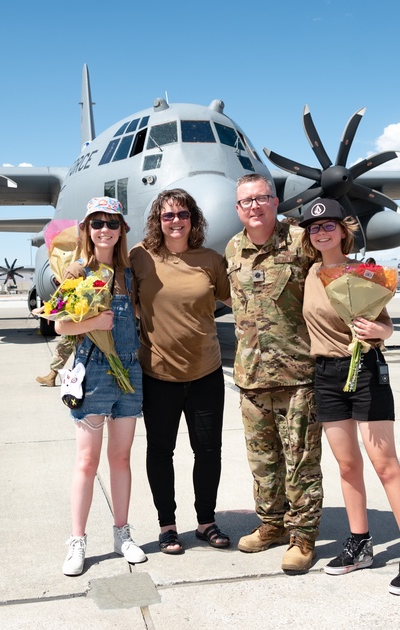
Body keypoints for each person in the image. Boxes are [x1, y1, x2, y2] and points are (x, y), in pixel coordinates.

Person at [298, 197, 400, 595]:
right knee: (348, 465)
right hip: (326, 375)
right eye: (314, 228)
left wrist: (378, 334)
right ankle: (360, 544)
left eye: (328, 225)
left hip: (366, 371)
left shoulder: (363, 272)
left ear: (343, 230)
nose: (321, 232)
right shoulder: (311, 273)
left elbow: (385, 327)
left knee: (384, 463)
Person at [225, 173, 323, 574]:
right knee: (263, 460)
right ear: (238, 208)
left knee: (300, 460)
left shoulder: (302, 241)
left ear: (275, 201)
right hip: (251, 375)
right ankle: (271, 525)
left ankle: (303, 536)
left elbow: (337, 274)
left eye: (261, 198)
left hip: (297, 372)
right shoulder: (234, 248)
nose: (254, 206)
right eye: (246, 201)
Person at [130, 189, 232, 555]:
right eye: (168, 216)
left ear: (194, 219)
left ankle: (206, 522)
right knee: (160, 451)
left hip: (206, 371)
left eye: (183, 214)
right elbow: (118, 295)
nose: (176, 221)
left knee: (208, 451)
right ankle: (167, 526)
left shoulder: (210, 260)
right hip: (158, 374)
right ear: (157, 220)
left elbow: (239, 301)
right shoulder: (140, 257)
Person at [54, 197, 146, 576]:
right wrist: (92, 325)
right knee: (87, 461)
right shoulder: (76, 272)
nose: (105, 229)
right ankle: (77, 540)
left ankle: (122, 533)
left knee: (121, 458)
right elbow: (59, 325)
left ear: (122, 229)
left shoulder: (128, 273)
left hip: (129, 371)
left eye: (112, 223)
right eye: (97, 223)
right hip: (92, 373)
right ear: (87, 231)